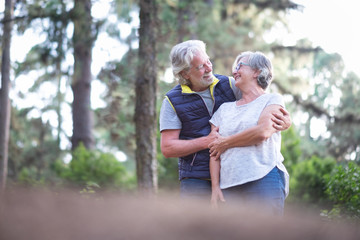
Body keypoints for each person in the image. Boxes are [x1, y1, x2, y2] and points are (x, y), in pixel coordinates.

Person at [159, 40, 291, 199]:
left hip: (232, 173)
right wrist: (207, 141)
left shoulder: (230, 84)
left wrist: (284, 119)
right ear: (185, 73)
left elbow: (259, 100)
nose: (209, 68)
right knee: (195, 223)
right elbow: (168, 147)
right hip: (196, 177)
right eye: (200, 66)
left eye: (208, 61)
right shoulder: (172, 101)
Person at [209, 51, 289, 215]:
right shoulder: (224, 110)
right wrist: (215, 187)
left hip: (264, 178)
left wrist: (226, 142)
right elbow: (213, 149)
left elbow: (262, 132)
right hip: (228, 188)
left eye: (239, 66)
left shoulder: (272, 100)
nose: (234, 71)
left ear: (257, 71)